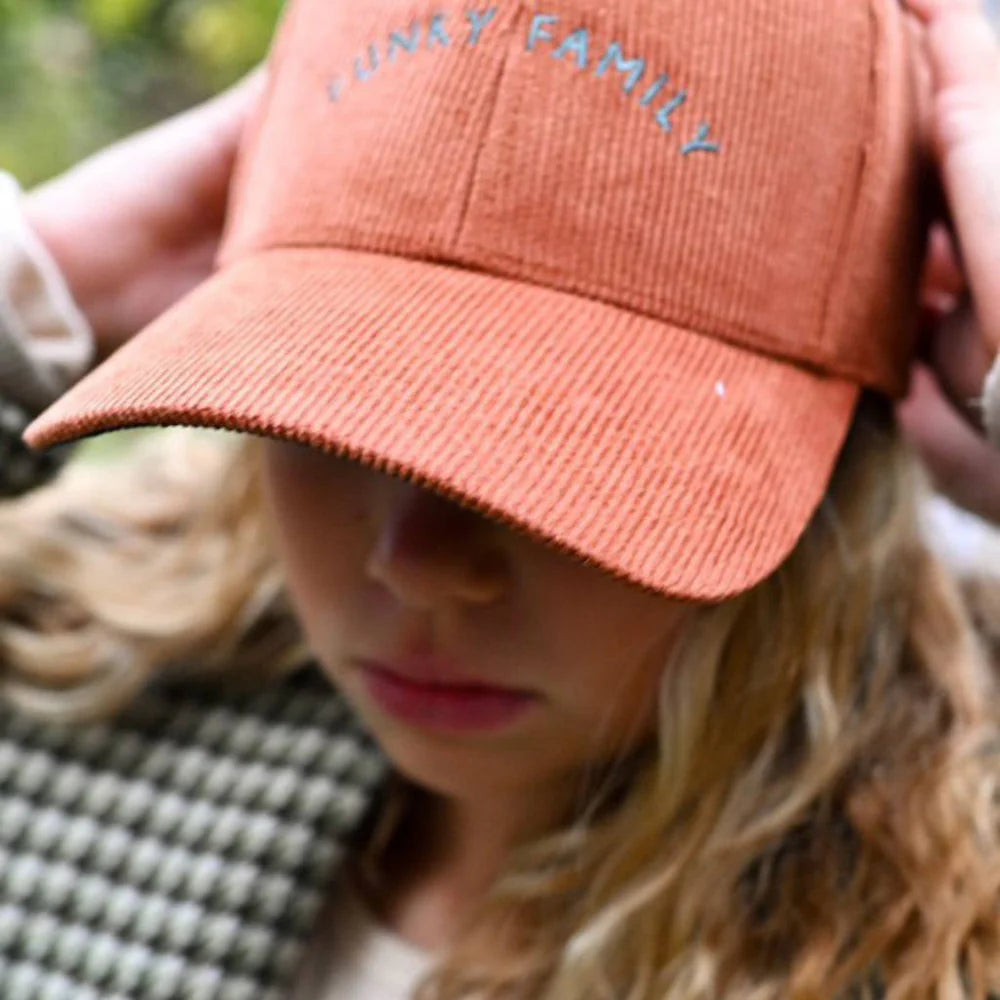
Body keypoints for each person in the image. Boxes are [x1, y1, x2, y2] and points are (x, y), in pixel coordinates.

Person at [0, 1, 997, 999]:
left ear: (842, 454)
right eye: (330, 408)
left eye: (570, 438)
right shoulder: (84, 657)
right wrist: (43, 289)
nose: (418, 563)